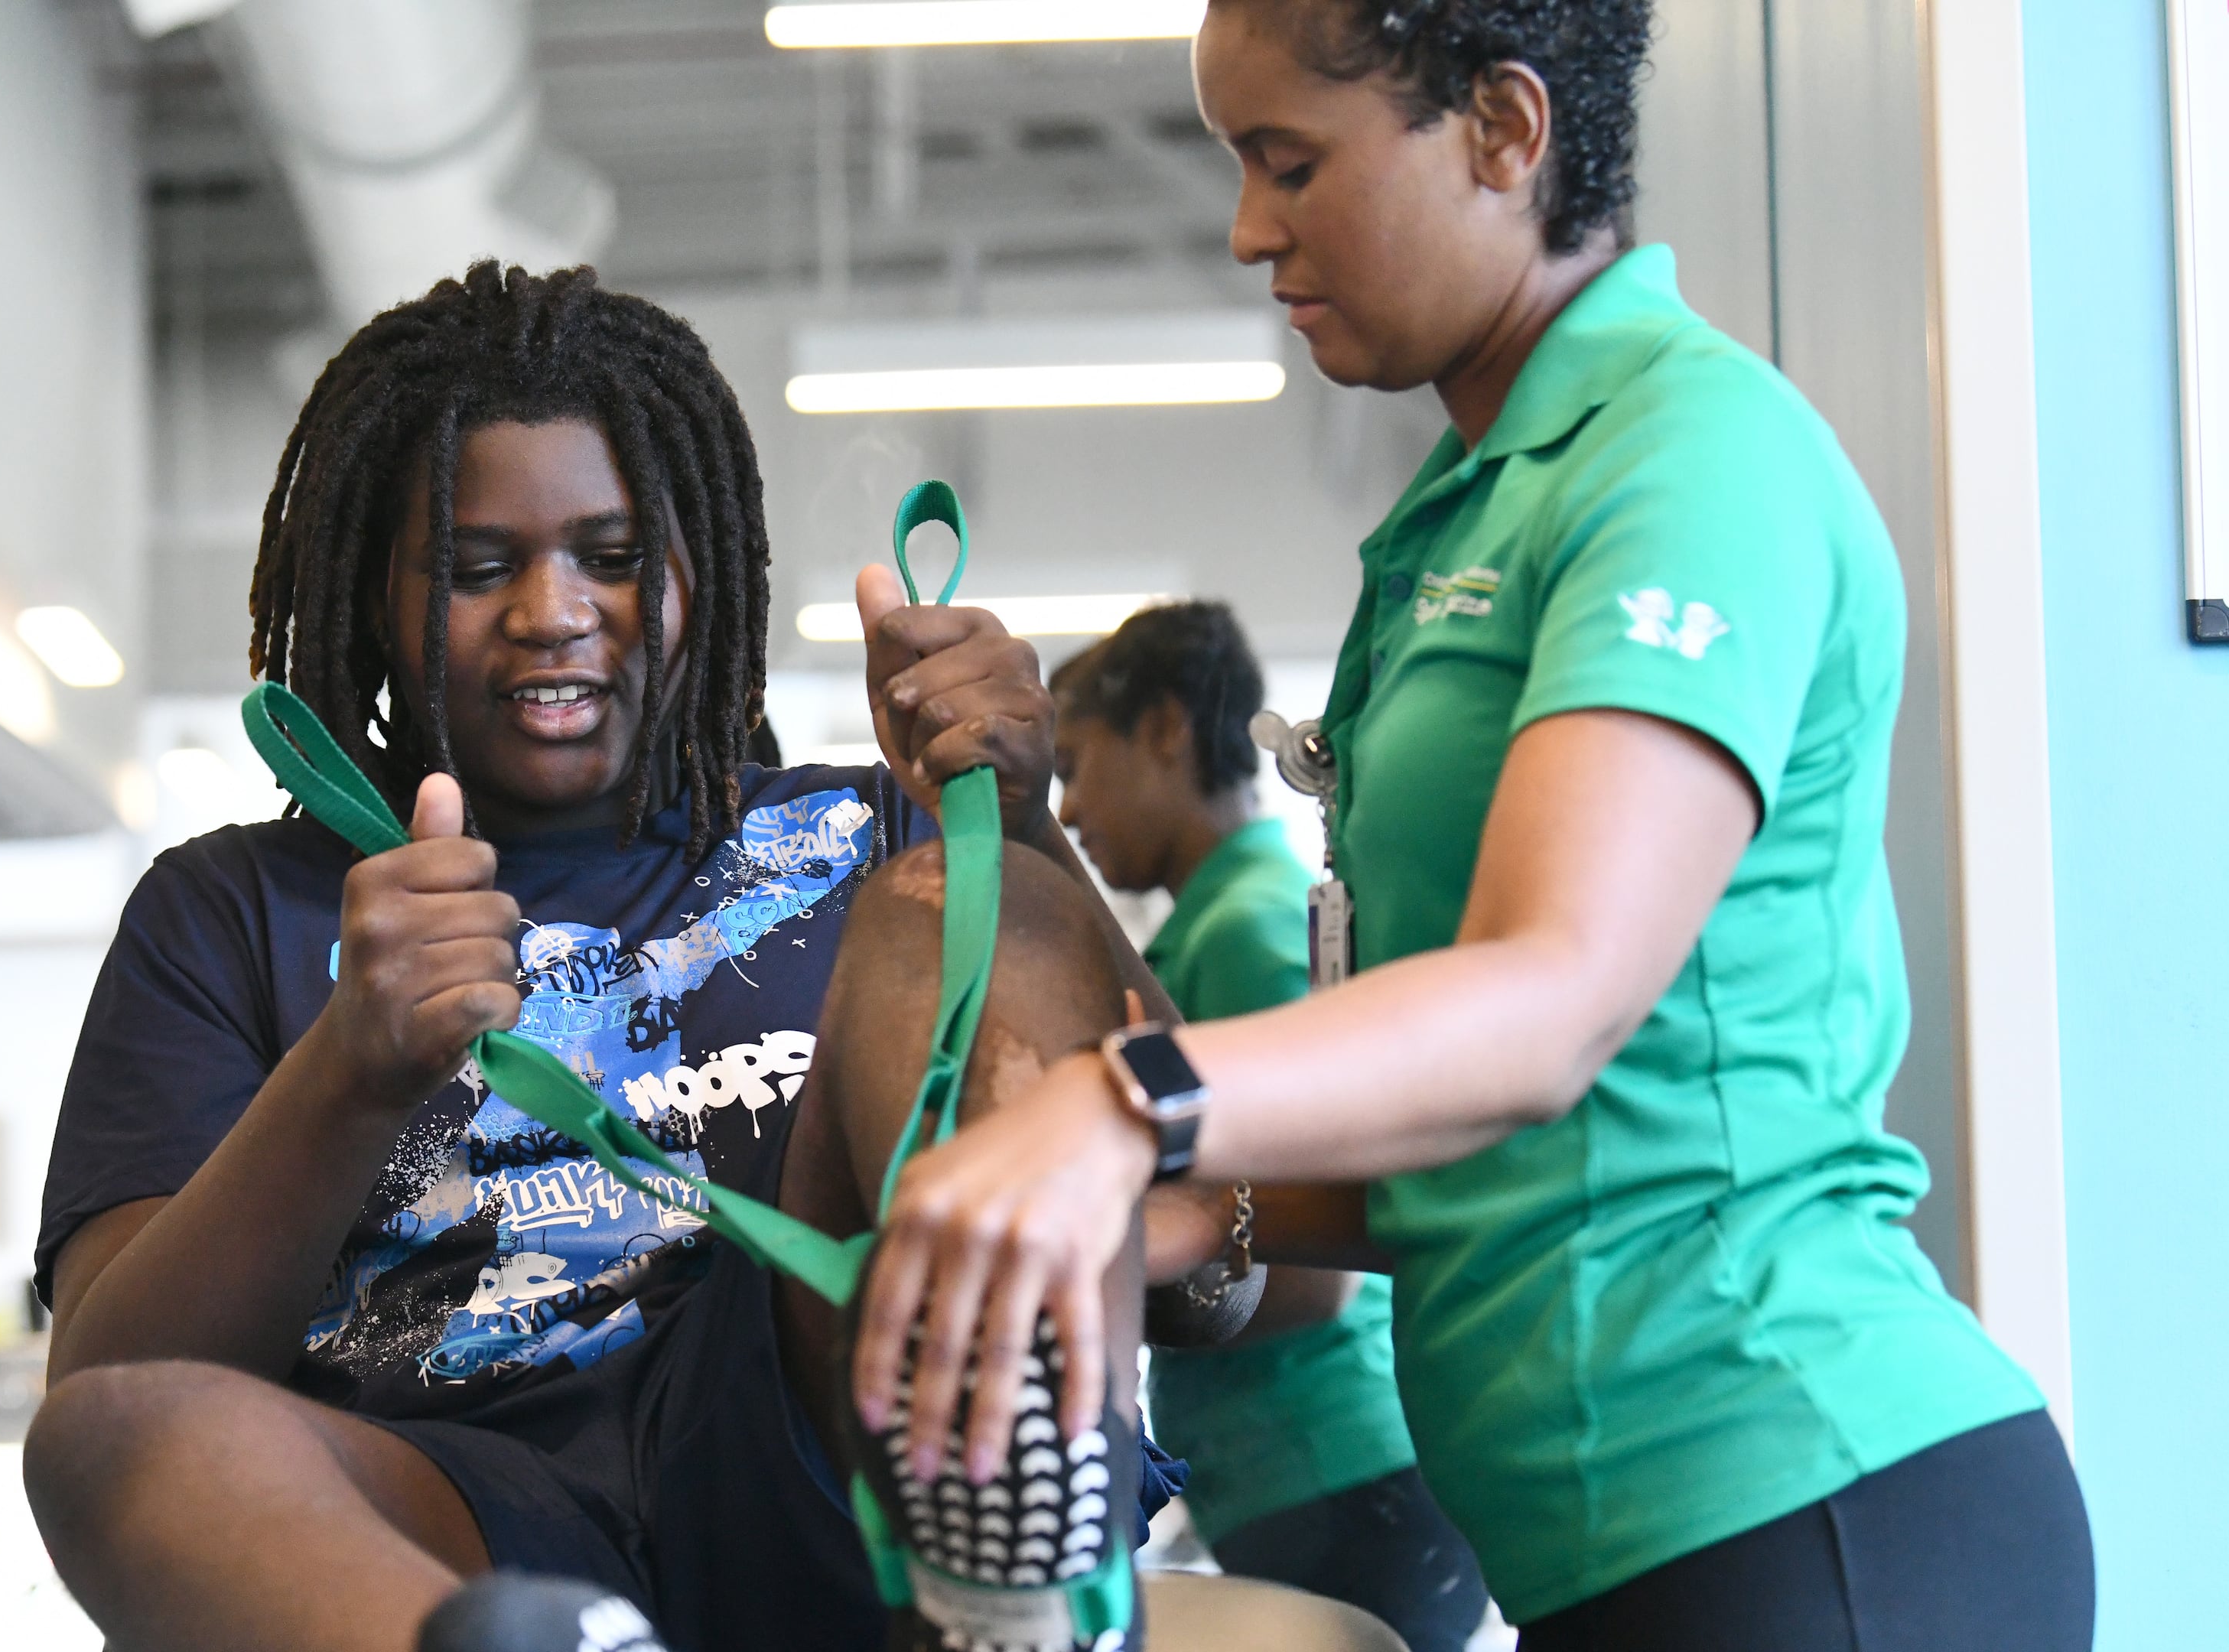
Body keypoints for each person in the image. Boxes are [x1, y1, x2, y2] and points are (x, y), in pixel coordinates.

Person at [846, 3, 2097, 1649]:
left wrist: (1117, 1108)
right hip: (1606, 1546)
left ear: (1506, 134)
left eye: (1291, 164)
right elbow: (1476, 1143)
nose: (1246, 230)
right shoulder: (1463, 514)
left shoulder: (1686, 453)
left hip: (1809, 1493)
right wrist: (1027, 850)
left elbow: (1549, 1005)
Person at [16, 262, 1186, 1652]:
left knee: (947, 899)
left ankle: (1016, 1597)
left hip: (832, 1446)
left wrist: (1023, 829)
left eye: (614, 556)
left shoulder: (861, 832)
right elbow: (117, 1382)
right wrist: (349, 1070)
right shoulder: (227, 912)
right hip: (448, 1511)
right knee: (120, 1439)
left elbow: (1244, 1260)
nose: (554, 611)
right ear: (376, 597)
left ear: (700, 566)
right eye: (475, 566)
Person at [1050, 602, 1490, 1650]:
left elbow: (1310, 1264)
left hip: (1340, 1471)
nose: (1067, 809)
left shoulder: (1249, 929)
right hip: (1290, 1477)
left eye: (1075, 764)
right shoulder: (1212, 922)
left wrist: (1079, 1296)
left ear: (1163, 730)